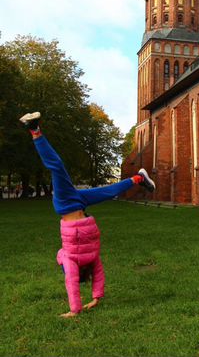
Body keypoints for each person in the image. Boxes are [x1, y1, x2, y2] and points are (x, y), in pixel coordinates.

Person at [19, 111, 155, 318]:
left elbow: (99, 277)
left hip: (82, 210)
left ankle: (138, 179)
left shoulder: (93, 260)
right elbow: (66, 273)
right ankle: (34, 129)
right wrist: (75, 310)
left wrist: (96, 298)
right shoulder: (70, 260)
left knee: (107, 192)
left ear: (88, 274)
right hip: (67, 206)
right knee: (57, 167)